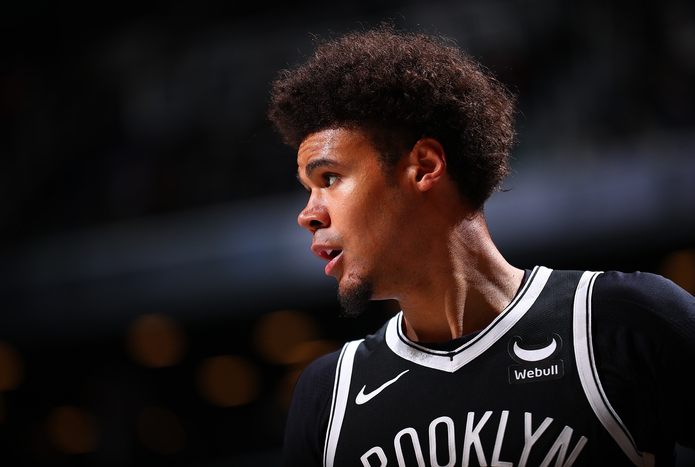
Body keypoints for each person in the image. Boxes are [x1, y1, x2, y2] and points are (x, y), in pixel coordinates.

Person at [268, 25, 695, 467]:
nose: (308, 214)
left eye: (329, 178)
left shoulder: (623, 320)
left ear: (424, 167)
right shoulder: (326, 397)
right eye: (307, 188)